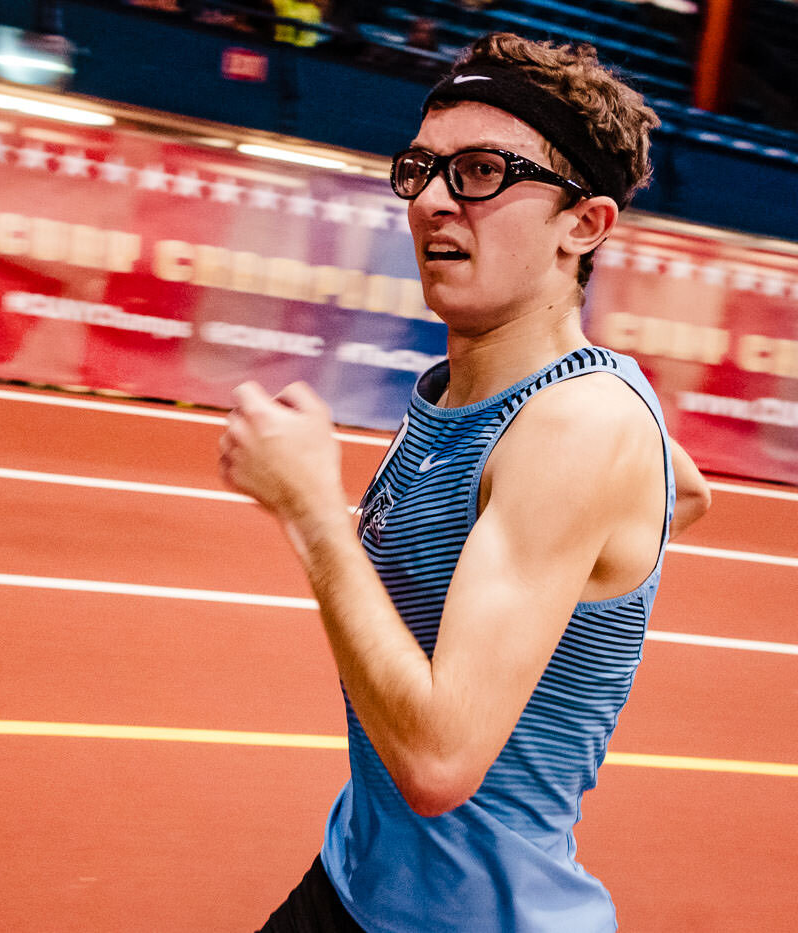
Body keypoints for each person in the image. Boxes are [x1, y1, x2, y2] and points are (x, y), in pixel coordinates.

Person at [219, 32, 712, 932]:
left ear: (585, 225)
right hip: (354, 879)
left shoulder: (578, 423)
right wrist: (639, 487)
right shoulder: (497, 394)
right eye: (424, 168)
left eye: (483, 171)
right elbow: (691, 489)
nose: (436, 201)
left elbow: (439, 764)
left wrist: (312, 515)